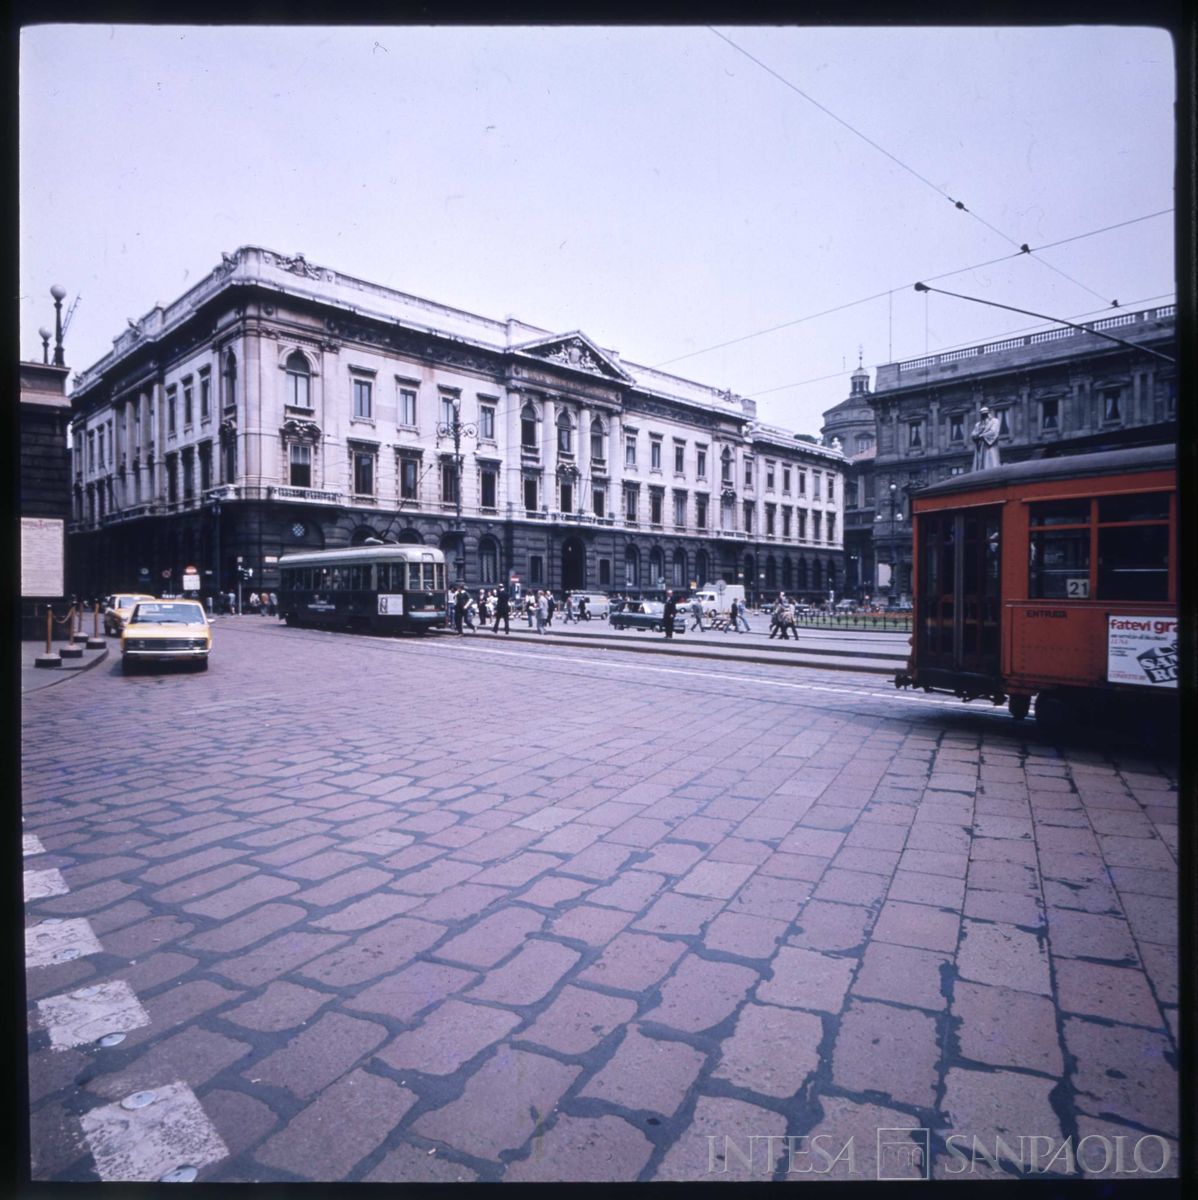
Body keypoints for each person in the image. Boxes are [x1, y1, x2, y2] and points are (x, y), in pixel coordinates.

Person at [971, 406, 1001, 471]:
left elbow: (994, 432)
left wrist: (982, 435)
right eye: (982, 414)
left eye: (985, 414)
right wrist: (979, 432)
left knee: (991, 461)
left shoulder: (995, 421)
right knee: (980, 464)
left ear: (988, 413)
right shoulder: (978, 424)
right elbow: (973, 434)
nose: (984, 416)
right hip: (980, 447)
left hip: (990, 445)